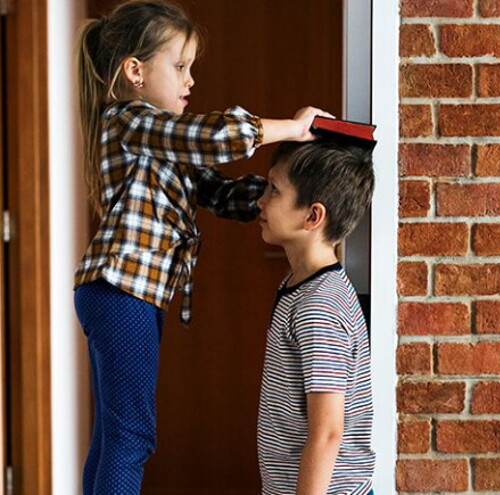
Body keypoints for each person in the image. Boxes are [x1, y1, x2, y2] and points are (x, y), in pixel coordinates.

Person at [73, 1, 331, 493]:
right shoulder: (129, 121)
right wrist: (294, 128)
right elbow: (217, 137)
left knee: (113, 436)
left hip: (120, 293)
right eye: (180, 66)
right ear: (136, 71)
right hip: (122, 292)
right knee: (131, 436)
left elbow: (216, 190)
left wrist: (282, 194)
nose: (190, 81)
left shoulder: (157, 142)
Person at [256, 140, 376, 495]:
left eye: (274, 190)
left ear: (312, 216)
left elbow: (327, 432)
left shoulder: (318, 306)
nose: (261, 200)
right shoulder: (302, 286)